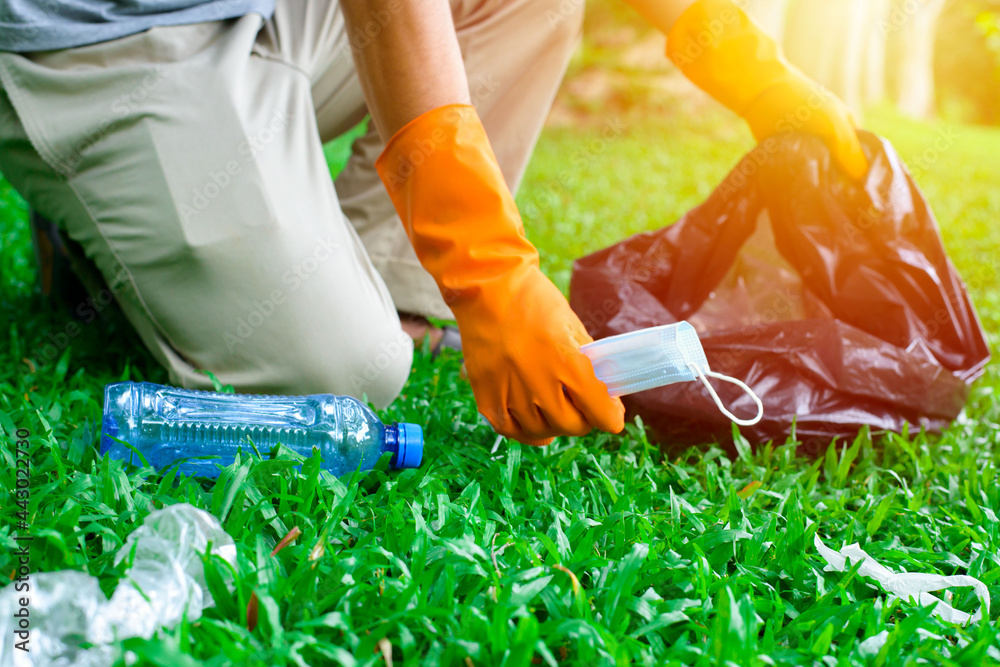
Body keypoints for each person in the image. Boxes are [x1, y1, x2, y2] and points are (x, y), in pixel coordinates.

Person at [0, 0, 867, 445]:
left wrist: (755, 71)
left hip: (258, 12)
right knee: (343, 377)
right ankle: (102, 226)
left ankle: (394, 289)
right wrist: (487, 272)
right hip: (95, 45)